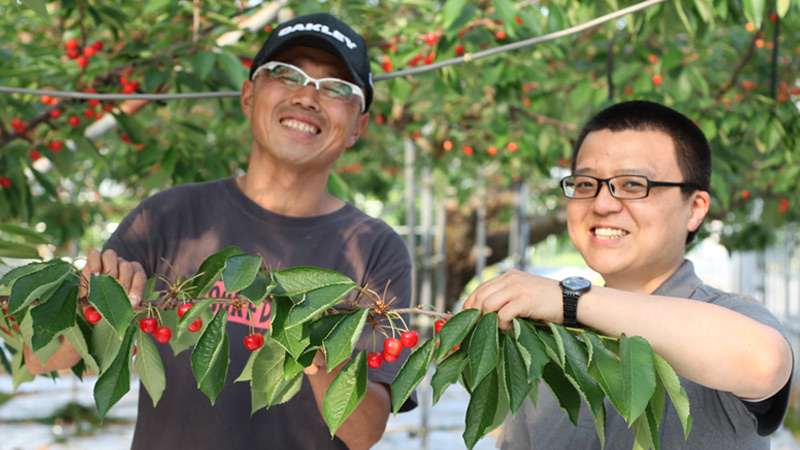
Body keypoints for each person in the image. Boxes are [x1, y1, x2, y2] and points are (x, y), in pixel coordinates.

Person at [24, 12, 415, 450]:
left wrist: (316, 354)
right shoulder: (167, 217)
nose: (308, 96)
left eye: (336, 88)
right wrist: (85, 298)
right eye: (286, 74)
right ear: (249, 96)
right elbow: (42, 359)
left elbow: (364, 433)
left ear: (358, 126)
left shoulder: (377, 249)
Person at [464, 100, 794, 449]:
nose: (603, 204)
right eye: (586, 184)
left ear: (695, 209)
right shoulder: (544, 342)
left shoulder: (733, 317)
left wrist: (571, 298)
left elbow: (764, 362)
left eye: (634, 185)